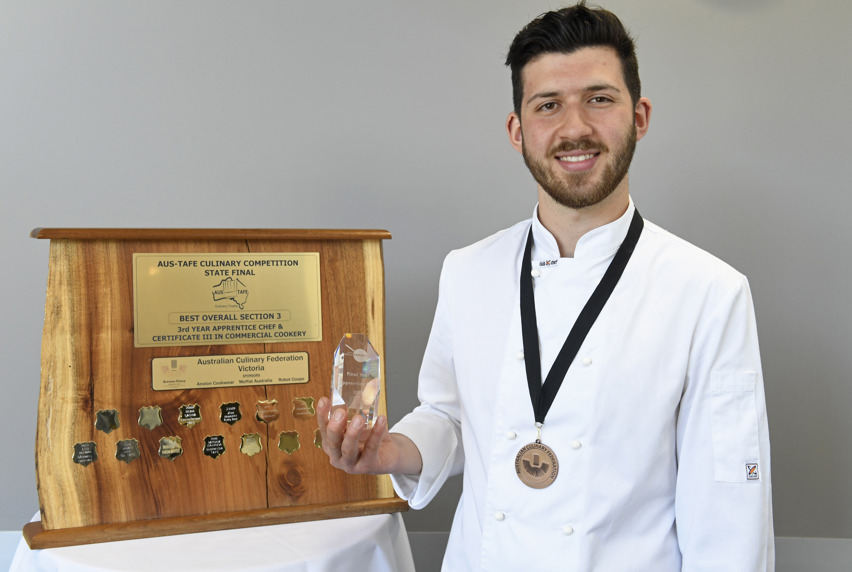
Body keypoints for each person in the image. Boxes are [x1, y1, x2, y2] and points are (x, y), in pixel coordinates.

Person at [316, 2, 774, 570]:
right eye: (548, 105)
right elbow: (452, 416)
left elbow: (729, 510)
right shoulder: (467, 269)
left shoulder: (710, 293)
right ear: (518, 129)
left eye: (600, 99)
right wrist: (394, 451)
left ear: (640, 116)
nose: (575, 127)